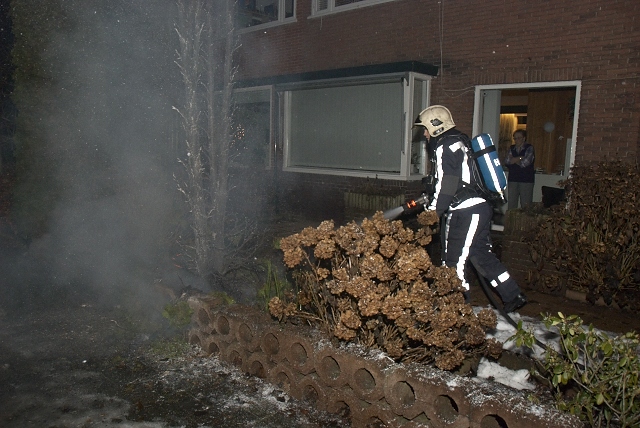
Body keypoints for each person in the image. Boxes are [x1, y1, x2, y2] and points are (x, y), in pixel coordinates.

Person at [414, 105, 527, 313]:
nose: (424, 133)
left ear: (435, 126)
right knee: (480, 254)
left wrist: (433, 211)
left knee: (454, 262)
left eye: (426, 128)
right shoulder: (460, 141)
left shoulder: (444, 146)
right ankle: (512, 294)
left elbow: (448, 183)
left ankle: (457, 312)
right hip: (480, 208)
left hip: (465, 212)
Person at [505, 130, 535, 210]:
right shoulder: (512, 148)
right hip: (513, 179)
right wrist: (521, 157)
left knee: (526, 204)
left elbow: (525, 163)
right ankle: (510, 222)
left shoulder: (529, 148)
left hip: (526, 180)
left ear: (524, 138)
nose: (516, 140)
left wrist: (515, 159)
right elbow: (507, 161)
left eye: (519, 138)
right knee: (511, 204)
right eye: (515, 138)